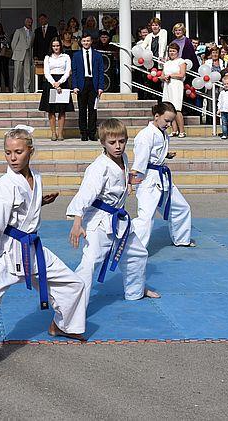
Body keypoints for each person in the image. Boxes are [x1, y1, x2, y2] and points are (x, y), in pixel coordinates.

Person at [0, 126, 86, 379]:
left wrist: (39, 201)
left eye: (18, 152)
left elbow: (23, 208)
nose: (12, 157)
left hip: (33, 250)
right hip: (9, 253)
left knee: (74, 283)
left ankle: (61, 325)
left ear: (31, 151)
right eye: (8, 152)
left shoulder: (36, 177)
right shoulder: (2, 186)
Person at [66, 119, 157, 311]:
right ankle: (71, 306)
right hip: (99, 221)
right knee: (90, 263)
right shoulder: (98, 168)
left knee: (138, 254)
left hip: (119, 220)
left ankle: (135, 291)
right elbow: (85, 194)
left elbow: (118, 178)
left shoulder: (123, 158)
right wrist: (77, 222)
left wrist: (128, 182)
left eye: (122, 141)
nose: (118, 146)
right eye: (112, 142)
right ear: (103, 143)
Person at [130, 102, 194, 251]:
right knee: (146, 217)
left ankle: (181, 239)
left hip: (162, 177)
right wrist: (132, 178)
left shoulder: (162, 133)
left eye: (171, 121)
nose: (169, 124)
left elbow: (154, 153)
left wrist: (165, 155)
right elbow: (141, 159)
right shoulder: (145, 135)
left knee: (181, 207)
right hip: (147, 178)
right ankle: (133, 248)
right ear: (156, 116)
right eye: (167, 121)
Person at [71, 32, 105, 141]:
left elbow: (101, 72)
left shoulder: (97, 55)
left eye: (88, 41)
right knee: (82, 110)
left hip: (93, 84)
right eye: (84, 41)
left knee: (93, 110)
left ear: (91, 41)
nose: (86, 43)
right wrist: (74, 86)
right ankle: (83, 133)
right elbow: (74, 72)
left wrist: (101, 87)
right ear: (81, 42)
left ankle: (92, 133)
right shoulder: (76, 55)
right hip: (81, 84)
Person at [40, 38, 72, 141]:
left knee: (62, 110)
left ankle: (60, 133)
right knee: (51, 110)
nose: (56, 48)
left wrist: (60, 82)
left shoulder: (66, 56)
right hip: (51, 83)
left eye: (57, 46)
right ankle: (53, 133)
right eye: (54, 46)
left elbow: (67, 71)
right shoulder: (47, 57)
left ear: (60, 46)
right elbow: (46, 72)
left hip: (63, 83)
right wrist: (54, 83)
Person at [161, 43, 189, 138]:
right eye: (170, 51)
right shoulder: (167, 63)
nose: (171, 53)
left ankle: (182, 131)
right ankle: (174, 130)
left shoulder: (181, 61)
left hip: (176, 85)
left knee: (177, 108)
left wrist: (171, 75)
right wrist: (164, 78)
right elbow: (162, 75)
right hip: (167, 86)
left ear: (177, 52)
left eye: (173, 51)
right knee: (169, 108)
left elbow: (182, 74)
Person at [10, 17, 35, 93]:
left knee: (27, 73)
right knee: (17, 73)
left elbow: (31, 45)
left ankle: (26, 89)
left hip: (28, 54)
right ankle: (15, 89)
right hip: (19, 54)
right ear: (25, 22)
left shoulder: (32, 33)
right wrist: (16, 52)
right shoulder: (19, 31)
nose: (30, 24)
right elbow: (13, 43)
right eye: (28, 22)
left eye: (31, 22)